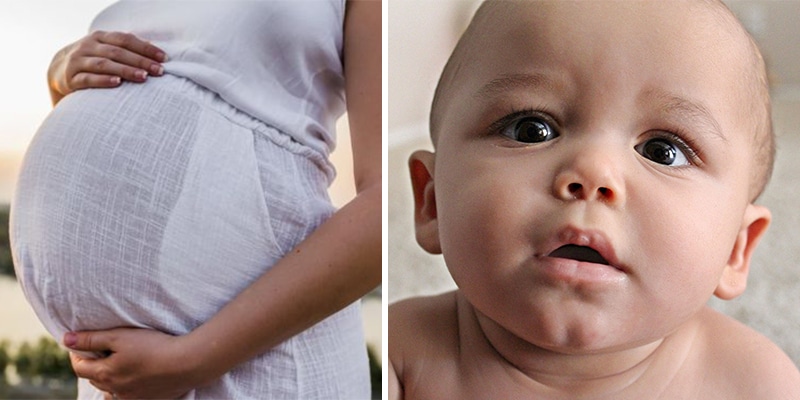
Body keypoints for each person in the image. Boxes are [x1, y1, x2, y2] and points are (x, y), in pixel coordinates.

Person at [388, 0, 800, 398]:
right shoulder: (397, 357)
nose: (593, 172)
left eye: (662, 151)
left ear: (735, 249)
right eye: (531, 129)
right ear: (432, 201)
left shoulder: (755, 383)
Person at [11, 1, 380, 399]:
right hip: (122, 373)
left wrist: (191, 360)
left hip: (252, 360)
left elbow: (382, 201)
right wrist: (62, 72)